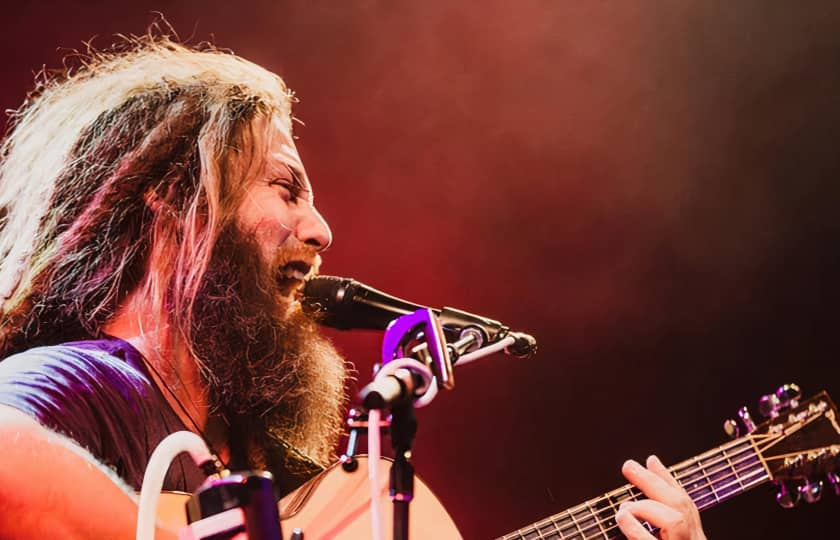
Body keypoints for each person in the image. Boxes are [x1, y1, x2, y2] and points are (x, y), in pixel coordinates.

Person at [0, 35, 706, 539]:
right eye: (285, 189)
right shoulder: (96, 384)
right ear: (176, 200)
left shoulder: (256, 460)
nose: (321, 230)